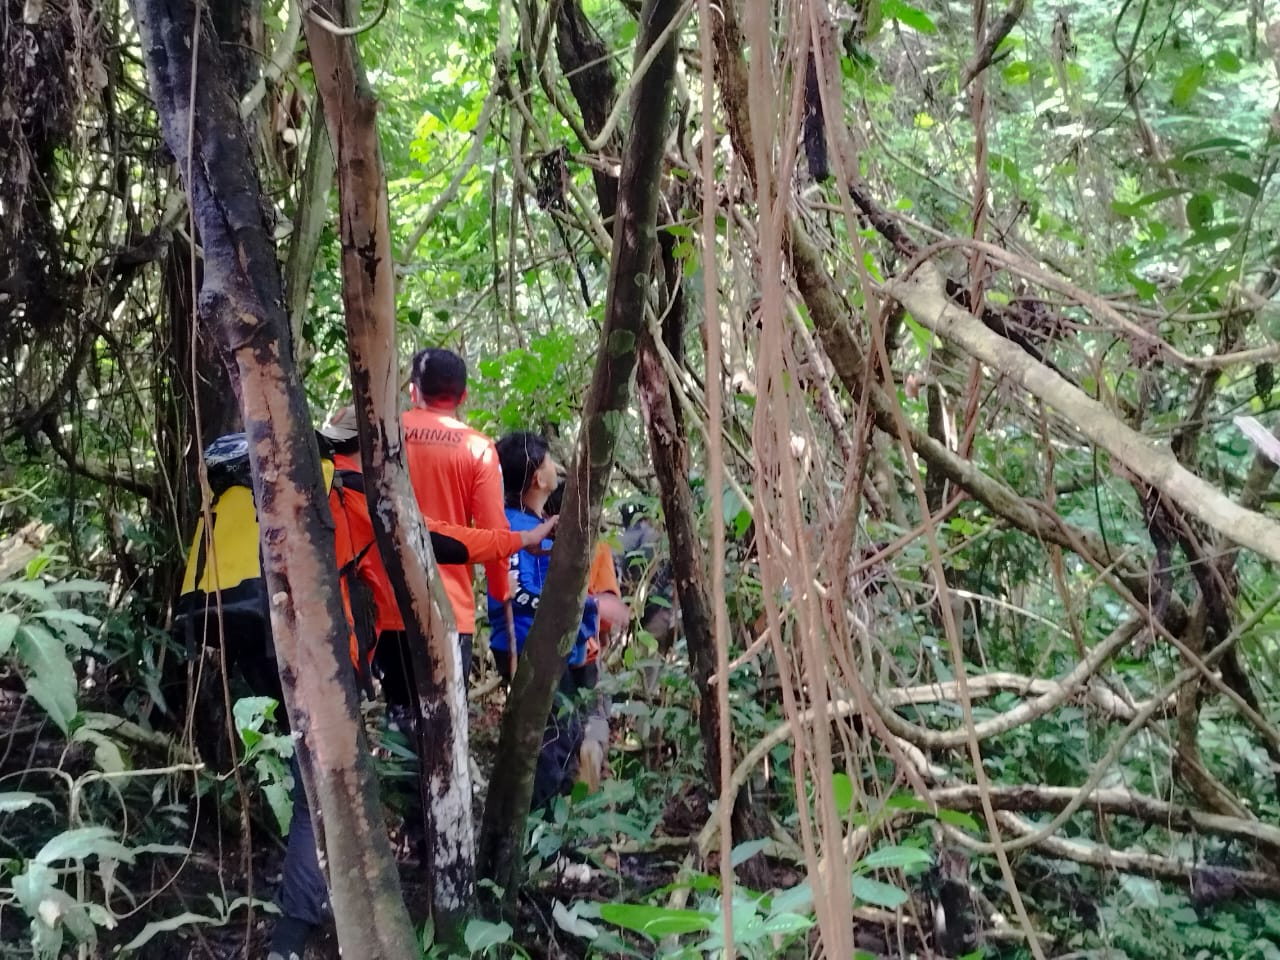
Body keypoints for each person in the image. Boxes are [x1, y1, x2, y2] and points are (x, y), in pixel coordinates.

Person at [269, 409, 554, 960]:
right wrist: (528, 538)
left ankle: (327, 906)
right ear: (373, 449)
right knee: (317, 794)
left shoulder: (303, 490)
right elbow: (450, 542)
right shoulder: (363, 499)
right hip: (332, 657)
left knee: (311, 779)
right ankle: (291, 940)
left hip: (281, 647)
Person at [487, 432, 610, 809]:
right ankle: (541, 842)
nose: (554, 465)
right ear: (538, 479)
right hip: (528, 648)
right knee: (549, 748)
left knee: (563, 738)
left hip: (549, 649)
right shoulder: (512, 526)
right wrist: (583, 606)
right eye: (547, 461)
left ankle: (551, 839)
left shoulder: (535, 524)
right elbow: (515, 594)